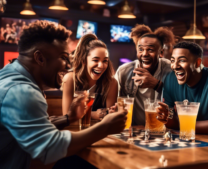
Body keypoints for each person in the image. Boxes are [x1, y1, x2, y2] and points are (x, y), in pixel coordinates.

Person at [0, 21, 127, 169]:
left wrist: (68, 118)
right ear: (40, 58)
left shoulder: (9, 74)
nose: (68, 65)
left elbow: (36, 129)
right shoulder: (22, 92)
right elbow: (50, 148)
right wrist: (106, 127)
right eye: (63, 57)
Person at [156, 41, 208, 134]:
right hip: (185, 141)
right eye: (172, 60)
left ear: (198, 63)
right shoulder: (170, 79)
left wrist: (180, 125)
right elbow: (169, 120)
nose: (175, 66)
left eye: (182, 60)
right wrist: (166, 118)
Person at [114, 24, 175, 126]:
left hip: (164, 131)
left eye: (150, 50)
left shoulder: (171, 69)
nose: (145, 54)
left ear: (161, 53)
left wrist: (157, 85)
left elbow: (182, 100)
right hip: (133, 130)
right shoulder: (124, 71)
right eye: (141, 49)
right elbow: (115, 103)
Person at [62, 34, 117, 120]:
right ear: (83, 60)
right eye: (95, 60)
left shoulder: (111, 82)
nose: (101, 66)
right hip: (75, 131)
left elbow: (109, 118)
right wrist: (94, 115)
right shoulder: (70, 79)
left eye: (105, 61)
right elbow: (67, 117)